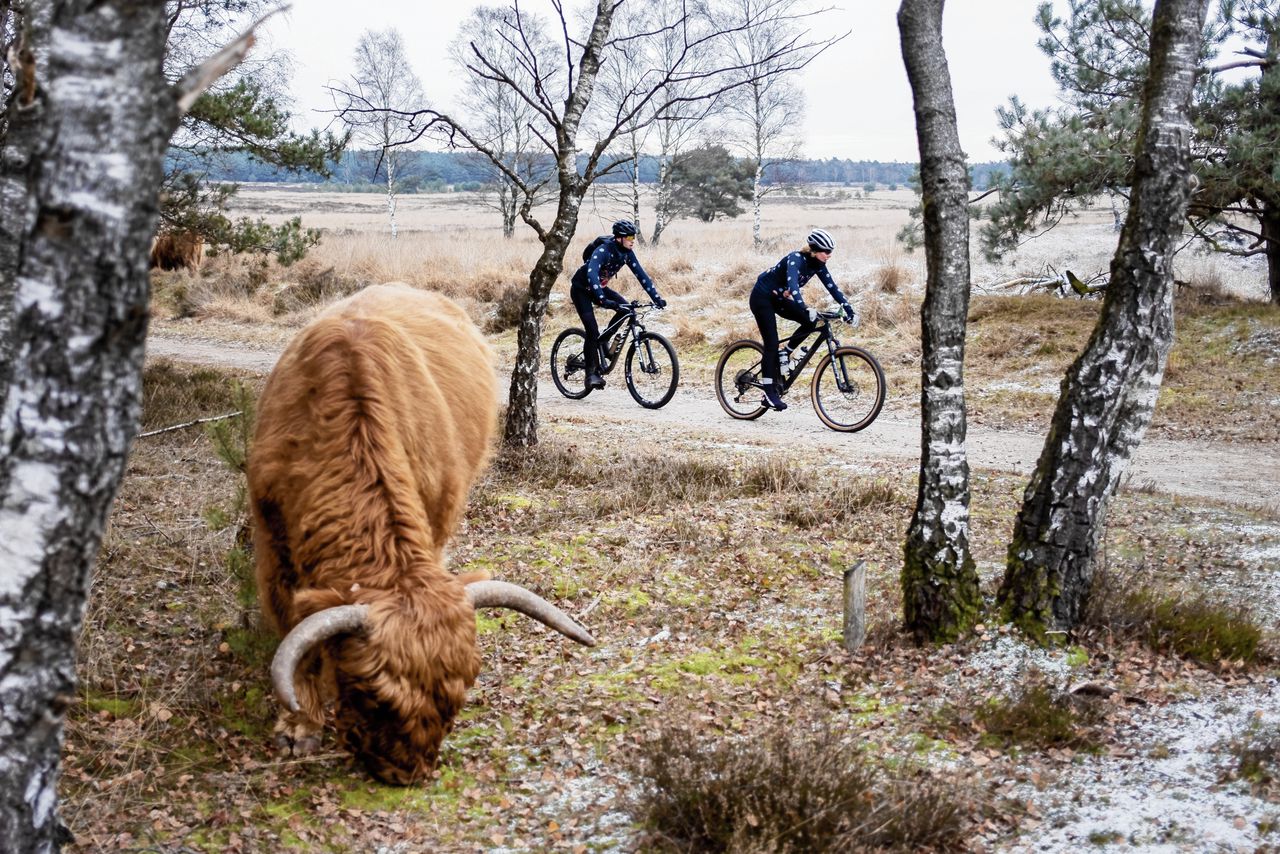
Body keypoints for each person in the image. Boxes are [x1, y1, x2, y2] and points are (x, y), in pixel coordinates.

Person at [749, 228, 857, 411]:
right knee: (771, 343)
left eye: (831, 251)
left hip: (779, 297)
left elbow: (833, 288)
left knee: (810, 322)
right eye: (826, 251)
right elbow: (793, 285)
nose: (829, 255)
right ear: (814, 250)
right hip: (762, 297)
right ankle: (768, 393)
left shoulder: (818, 265)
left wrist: (849, 309)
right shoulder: (795, 258)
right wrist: (805, 307)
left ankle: (786, 352)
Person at [569, 219, 667, 390]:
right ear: (619, 238)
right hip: (581, 290)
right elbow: (592, 274)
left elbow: (641, 275)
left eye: (634, 237)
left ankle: (604, 341)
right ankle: (590, 374)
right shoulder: (604, 250)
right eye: (629, 237)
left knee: (625, 308)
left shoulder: (627, 253)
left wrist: (656, 298)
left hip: (599, 288)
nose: (633, 240)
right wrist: (602, 299)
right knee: (592, 331)